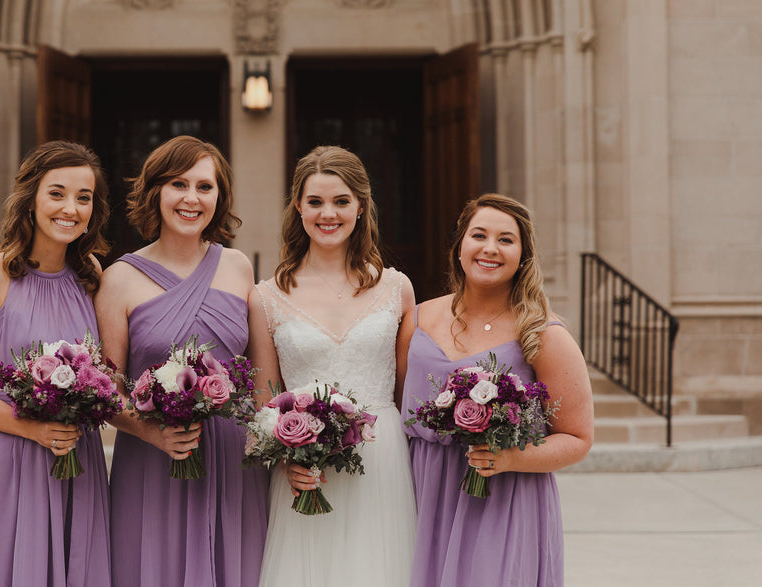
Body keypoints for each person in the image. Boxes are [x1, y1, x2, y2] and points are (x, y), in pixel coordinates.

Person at [96, 135, 269, 587]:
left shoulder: (237, 267)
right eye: (178, 184)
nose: (192, 198)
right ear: (155, 192)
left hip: (234, 460)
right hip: (154, 458)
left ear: (220, 196)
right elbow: (107, 388)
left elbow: (258, 375)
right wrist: (152, 433)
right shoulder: (119, 278)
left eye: (205, 187)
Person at [0, 141, 112, 586]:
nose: (70, 208)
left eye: (83, 197)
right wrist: (32, 428)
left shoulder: (91, 275)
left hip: (79, 460)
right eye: (56, 193)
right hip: (9, 458)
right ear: (31, 198)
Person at [399, 193, 594, 586]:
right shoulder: (417, 318)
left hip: (502, 497)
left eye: (506, 240)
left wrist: (508, 458)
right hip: (421, 493)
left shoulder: (542, 333)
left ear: (523, 256)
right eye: (479, 235)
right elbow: (395, 404)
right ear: (459, 248)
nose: (490, 248)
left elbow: (577, 437)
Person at [250, 145, 417, 586]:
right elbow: (264, 401)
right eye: (316, 201)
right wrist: (286, 459)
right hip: (305, 469)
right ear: (298, 208)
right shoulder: (266, 296)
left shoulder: (396, 288)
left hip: (382, 462)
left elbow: (406, 388)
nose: (329, 213)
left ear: (361, 207)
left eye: (341, 201)